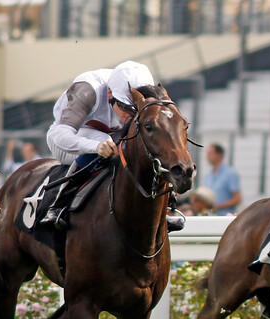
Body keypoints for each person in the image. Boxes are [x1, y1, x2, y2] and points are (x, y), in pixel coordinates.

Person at [40, 60, 183, 232]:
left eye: (135, 110)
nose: (130, 115)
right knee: (108, 141)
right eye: (125, 107)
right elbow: (60, 135)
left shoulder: (143, 93)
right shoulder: (87, 90)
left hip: (111, 136)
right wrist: (95, 147)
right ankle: (58, 204)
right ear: (110, 95)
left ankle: (163, 208)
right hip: (70, 139)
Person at [201, 144, 241, 215]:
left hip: (225, 216)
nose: (207, 156)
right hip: (210, 216)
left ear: (219, 155)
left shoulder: (230, 174)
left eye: (210, 153)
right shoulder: (208, 176)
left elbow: (237, 199)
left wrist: (218, 206)